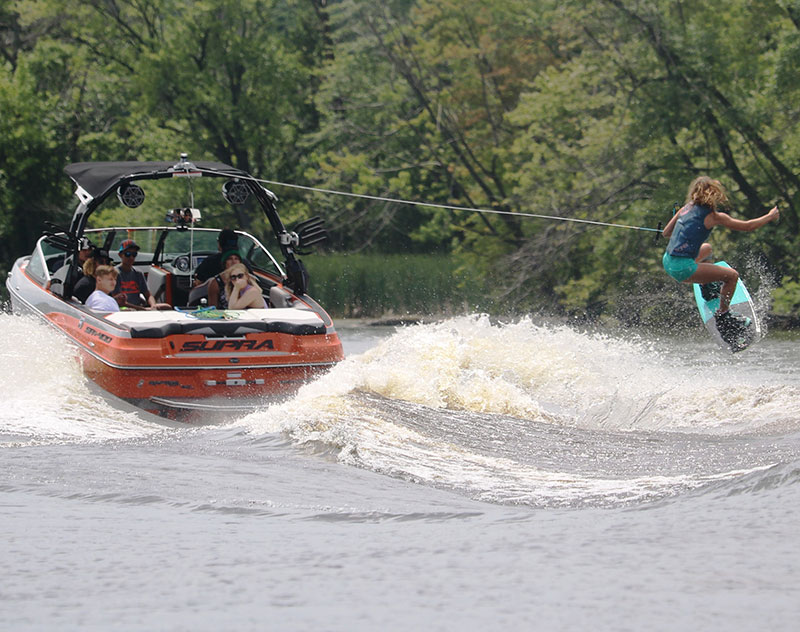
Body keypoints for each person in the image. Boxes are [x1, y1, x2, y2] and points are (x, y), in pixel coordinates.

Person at [662, 176, 779, 336]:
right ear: (714, 194)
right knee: (732, 276)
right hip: (682, 268)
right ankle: (724, 316)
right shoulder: (715, 217)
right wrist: (770, 216)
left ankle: (709, 289)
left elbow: (666, 233)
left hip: (668, 261)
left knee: (707, 249)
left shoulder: (685, 208)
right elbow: (748, 226)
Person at [113, 239, 170, 310]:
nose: (131, 257)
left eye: (134, 254)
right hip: (123, 309)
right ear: (120, 255)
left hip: (138, 308)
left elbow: (148, 295)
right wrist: (143, 309)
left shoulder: (138, 273)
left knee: (167, 307)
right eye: (128, 254)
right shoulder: (114, 273)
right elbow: (120, 302)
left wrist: (153, 305)